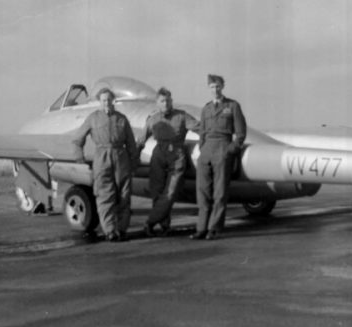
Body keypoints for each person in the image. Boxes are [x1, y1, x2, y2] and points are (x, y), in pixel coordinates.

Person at [71, 88, 139, 242]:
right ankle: (110, 231)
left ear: (113, 100)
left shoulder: (122, 119)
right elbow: (77, 140)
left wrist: (134, 163)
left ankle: (122, 229)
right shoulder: (92, 118)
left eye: (109, 99)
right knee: (104, 195)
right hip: (102, 158)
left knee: (124, 194)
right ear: (99, 102)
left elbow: (131, 144)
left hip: (121, 157)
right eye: (103, 100)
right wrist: (79, 158)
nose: (106, 103)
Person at [137, 87, 198, 237]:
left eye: (168, 100)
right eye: (162, 101)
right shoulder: (153, 119)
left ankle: (150, 222)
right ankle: (164, 226)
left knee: (170, 193)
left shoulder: (182, 116)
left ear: (172, 101)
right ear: (157, 103)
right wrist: (134, 158)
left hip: (176, 155)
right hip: (158, 155)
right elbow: (141, 140)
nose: (166, 104)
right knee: (157, 192)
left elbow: (200, 128)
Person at [192, 74, 246, 240]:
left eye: (217, 87)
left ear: (222, 87)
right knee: (202, 192)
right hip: (206, 151)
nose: (215, 90)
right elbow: (202, 133)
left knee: (220, 192)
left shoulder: (233, 106)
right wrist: (202, 149)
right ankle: (201, 228)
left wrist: (230, 150)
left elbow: (241, 133)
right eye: (212, 87)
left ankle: (214, 228)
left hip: (223, 149)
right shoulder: (206, 109)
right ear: (209, 89)